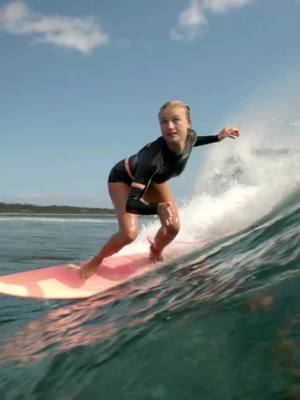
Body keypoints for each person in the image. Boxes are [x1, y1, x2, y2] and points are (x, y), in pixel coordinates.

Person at [80, 100, 239, 278]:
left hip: (156, 179)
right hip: (123, 178)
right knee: (129, 234)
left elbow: (195, 142)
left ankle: (155, 250)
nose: (169, 126)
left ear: (188, 124)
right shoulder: (153, 160)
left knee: (172, 227)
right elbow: (131, 204)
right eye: (164, 122)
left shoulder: (190, 136)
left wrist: (218, 137)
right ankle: (96, 261)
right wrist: (157, 208)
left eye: (175, 120)